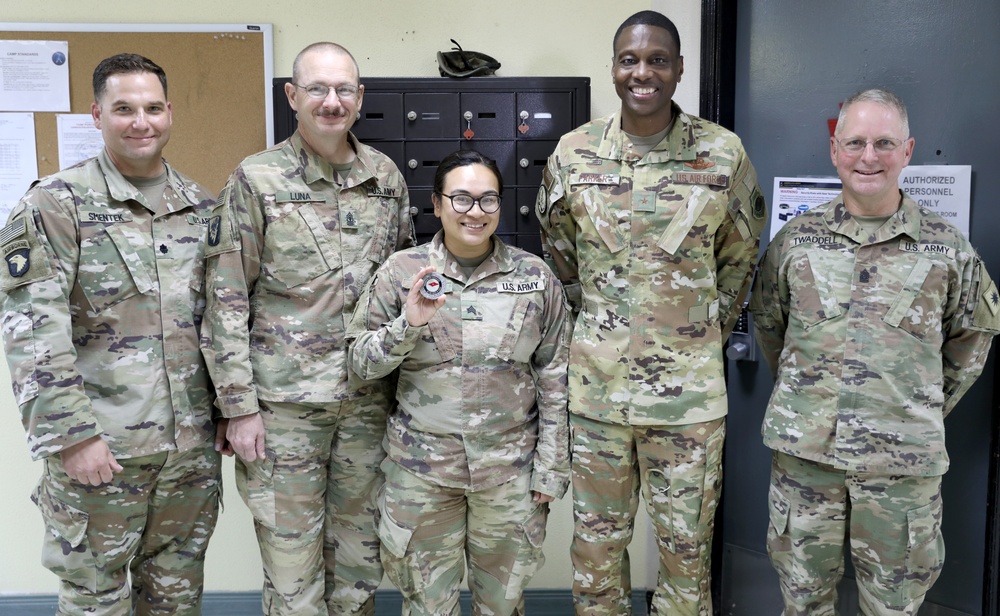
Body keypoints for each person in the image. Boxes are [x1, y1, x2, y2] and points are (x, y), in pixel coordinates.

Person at [535, 10, 767, 615]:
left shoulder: (722, 154)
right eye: (630, 60)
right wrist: (607, 328)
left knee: (686, 555)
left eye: (658, 59)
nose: (644, 72)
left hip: (688, 403)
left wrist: (691, 333)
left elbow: (740, 260)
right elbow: (560, 255)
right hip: (597, 398)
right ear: (613, 68)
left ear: (680, 68)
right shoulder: (574, 152)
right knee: (594, 552)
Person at [750, 88, 1000, 615]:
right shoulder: (794, 242)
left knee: (894, 607)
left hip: (901, 470)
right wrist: (811, 399)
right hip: (806, 463)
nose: (869, 157)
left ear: (907, 151)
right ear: (835, 150)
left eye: (884, 142)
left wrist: (909, 408)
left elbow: (970, 343)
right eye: (856, 142)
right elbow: (772, 329)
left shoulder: (949, 248)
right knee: (802, 601)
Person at [0, 53, 221, 614]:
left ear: (170, 113)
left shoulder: (200, 207)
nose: (140, 122)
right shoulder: (55, 203)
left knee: (176, 596)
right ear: (97, 115)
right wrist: (72, 436)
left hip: (188, 453)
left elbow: (222, 322)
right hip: (103, 447)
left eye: (151, 108)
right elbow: (31, 329)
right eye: (123, 108)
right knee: (94, 598)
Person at [200, 41, 414, 615]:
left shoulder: (386, 179)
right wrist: (238, 407)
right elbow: (225, 300)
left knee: (359, 569)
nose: (331, 101)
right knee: (293, 576)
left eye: (344, 88)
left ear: (360, 98)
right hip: (283, 411)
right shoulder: (257, 179)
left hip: (366, 406)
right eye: (317, 88)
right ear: (293, 96)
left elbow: (401, 287)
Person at [347, 149, 571, 615]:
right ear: (436, 203)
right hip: (422, 474)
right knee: (428, 606)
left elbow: (555, 377)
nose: (475, 212)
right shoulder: (401, 273)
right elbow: (359, 364)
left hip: (509, 474)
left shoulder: (534, 279)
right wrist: (407, 325)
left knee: (503, 604)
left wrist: (551, 468)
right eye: (462, 199)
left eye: (488, 200)